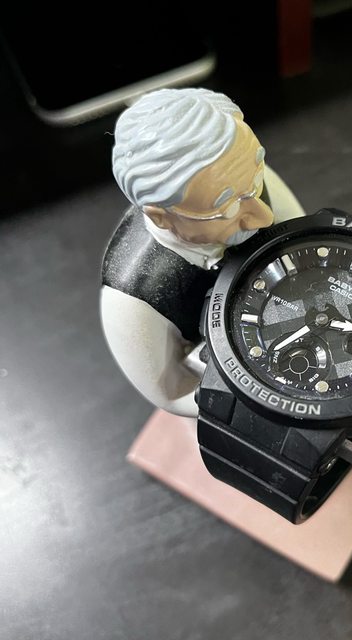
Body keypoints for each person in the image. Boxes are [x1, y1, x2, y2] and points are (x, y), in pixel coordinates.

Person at [101, 88, 305, 417]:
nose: (263, 217)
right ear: (161, 217)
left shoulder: (242, 177)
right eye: (226, 208)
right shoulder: (134, 297)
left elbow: (303, 241)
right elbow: (170, 391)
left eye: (254, 182)